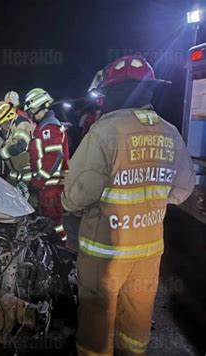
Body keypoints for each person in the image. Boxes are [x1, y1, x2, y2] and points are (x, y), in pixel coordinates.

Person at [62, 55, 196, 355]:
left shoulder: (104, 131)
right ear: (148, 91)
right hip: (148, 251)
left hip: (104, 254)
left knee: (97, 327)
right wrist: (150, 202)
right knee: (136, 325)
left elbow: (75, 197)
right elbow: (184, 189)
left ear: (111, 93)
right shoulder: (169, 132)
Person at [26, 88, 69, 241]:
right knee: (47, 222)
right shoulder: (44, 127)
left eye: (31, 109)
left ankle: (60, 252)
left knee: (53, 223)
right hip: (48, 185)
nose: (30, 113)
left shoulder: (49, 127)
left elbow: (53, 157)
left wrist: (38, 182)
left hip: (51, 185)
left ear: (40, 105)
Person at [0, 101, 36, 185]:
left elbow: (20, 146)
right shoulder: (12, 128)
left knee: (23, 196)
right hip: (15, 171)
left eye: (3, 123)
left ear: (9, 118)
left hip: (27, 172)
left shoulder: (22, 124)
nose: (2, 127)